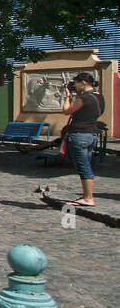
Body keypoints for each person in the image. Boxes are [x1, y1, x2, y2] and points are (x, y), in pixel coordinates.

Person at [62, 73, 105, 207]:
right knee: (87, 164)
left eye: (76, 83)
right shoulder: (98, 97)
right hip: (91, 134)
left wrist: (68, 97)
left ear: (84, 82)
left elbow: (66, 110)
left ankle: (88, 198)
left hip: (79, 134)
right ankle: (87, 195)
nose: (74, 86)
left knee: (83, 167)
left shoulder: (84, 99)